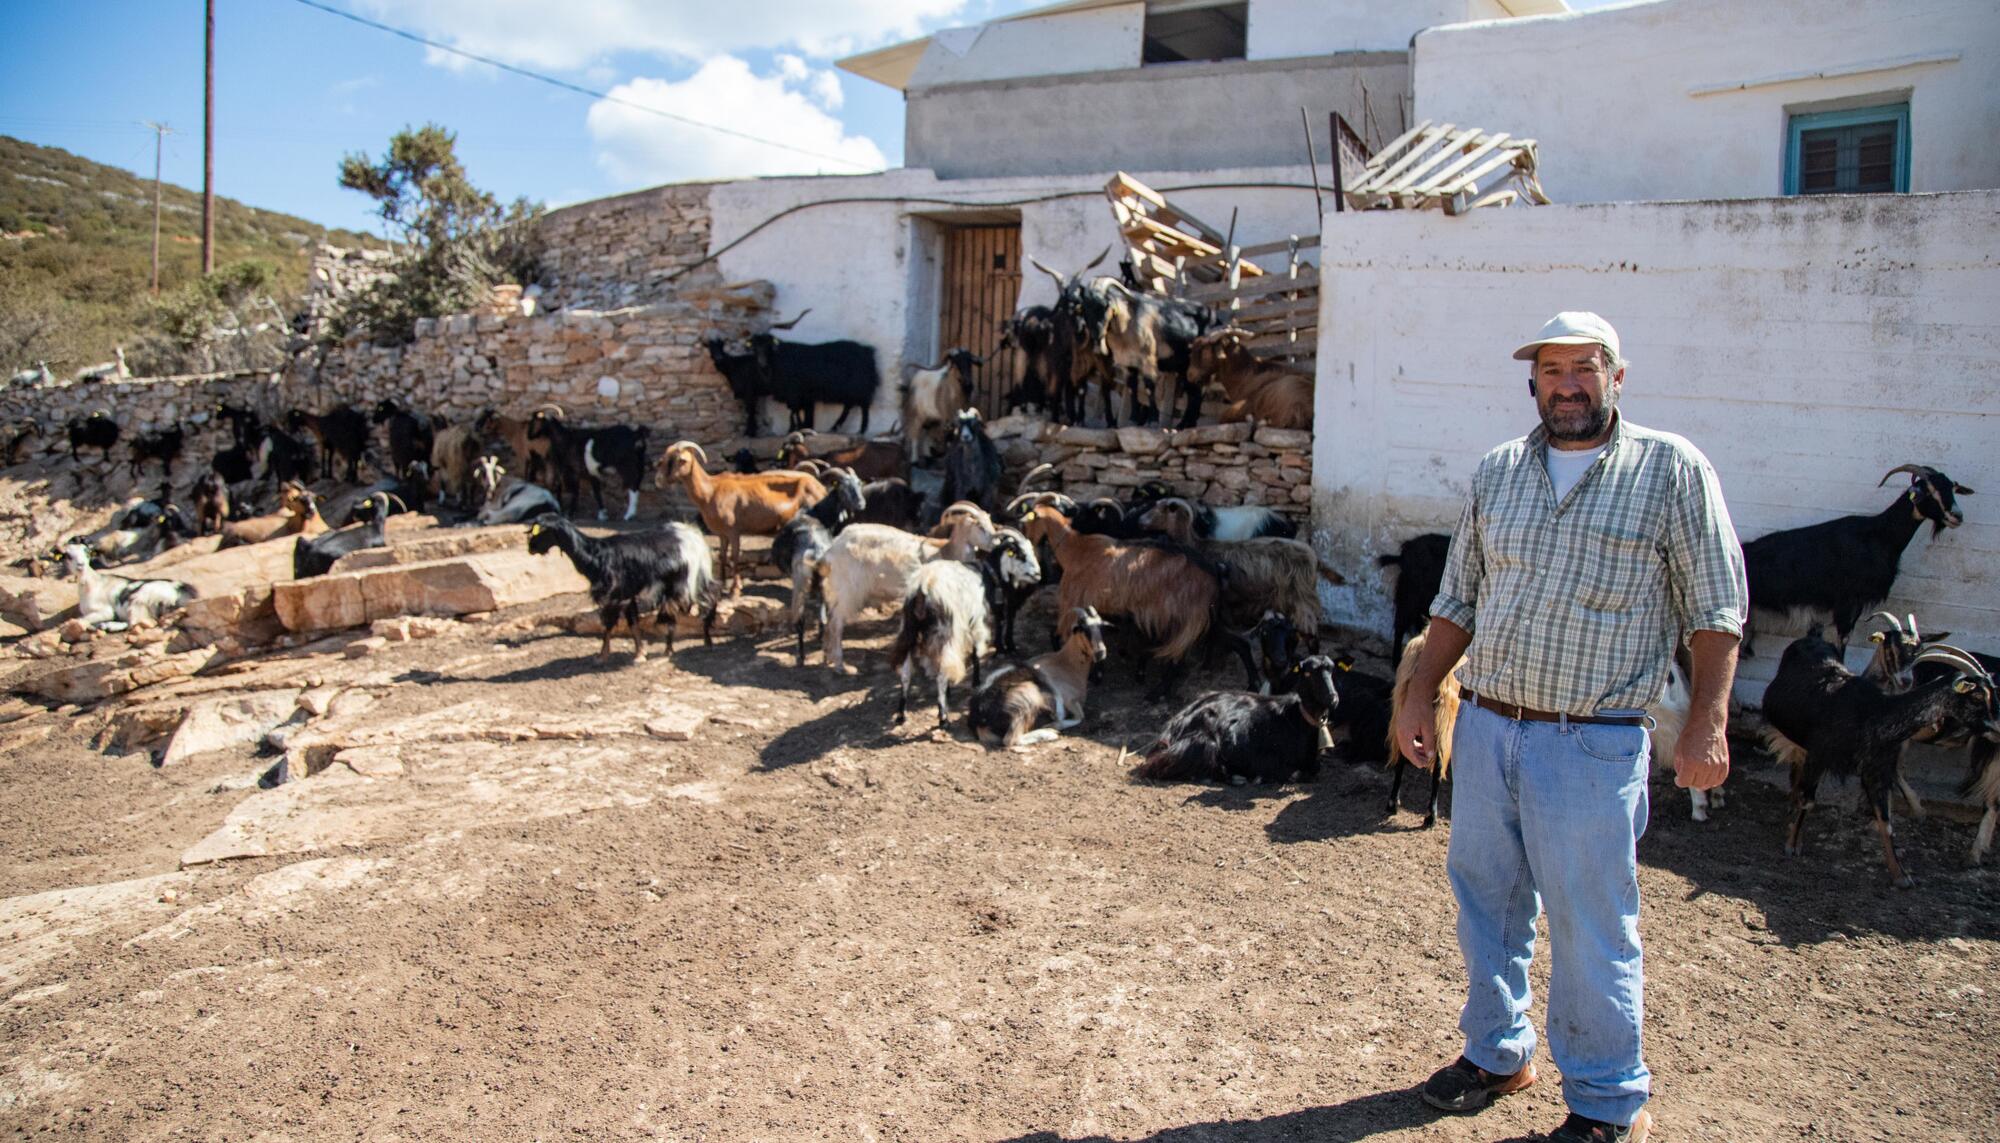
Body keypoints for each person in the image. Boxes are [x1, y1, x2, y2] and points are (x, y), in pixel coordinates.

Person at [1393, 312, 1747, 1143]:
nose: (1569, 384)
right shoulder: (1500, 471)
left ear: (1616, 376)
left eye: (1585, 367)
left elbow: (1717, 608)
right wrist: (1419, 691)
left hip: (1592, 741)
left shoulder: (1670, 470)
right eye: (1553, 370)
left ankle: (1607, 1101)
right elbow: (1457, 600)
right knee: (1485, 901)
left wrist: (1707, 722)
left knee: (1592, 922)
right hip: (1486, 727)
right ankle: (1498, 1052)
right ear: (1533, 383)